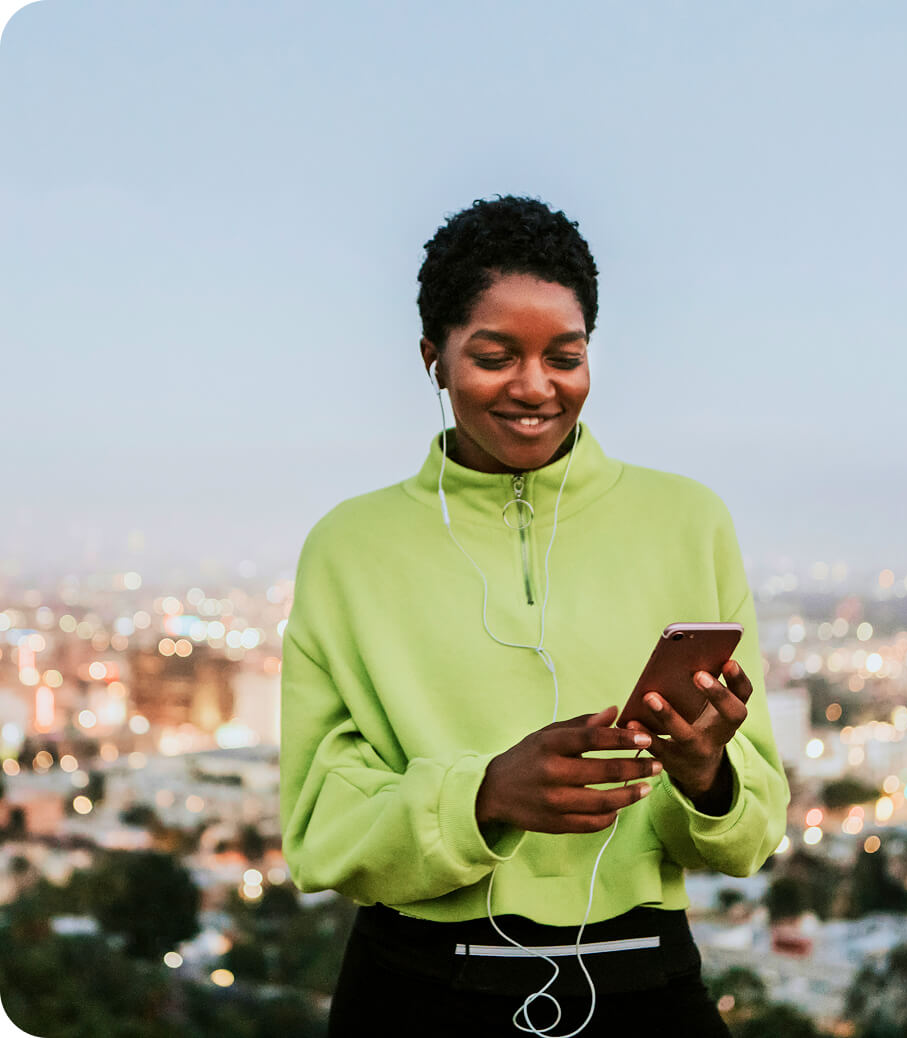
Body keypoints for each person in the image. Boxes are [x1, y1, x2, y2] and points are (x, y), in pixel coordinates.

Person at [279, 195, 790, 1037]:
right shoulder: (348, 546)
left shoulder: (689, 522)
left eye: (565, 355)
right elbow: (317, 829)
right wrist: (483, 796)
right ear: (432, 359)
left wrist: (707, 776)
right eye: (494, 355)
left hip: (643, 985)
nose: (535, 387)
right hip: (414, 992)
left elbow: (753, 830)